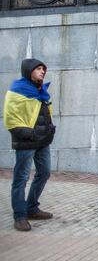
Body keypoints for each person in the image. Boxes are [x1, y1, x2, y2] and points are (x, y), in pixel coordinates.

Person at [4, 58, 56, 232]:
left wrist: (50, 130)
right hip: (26, 142)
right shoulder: (17, 90)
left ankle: (32, 207)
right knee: (21, 178)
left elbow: (45, 114)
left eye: (43, 69)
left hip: (42, 141)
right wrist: (30, 134)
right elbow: (10, 119)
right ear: (28, 70)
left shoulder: (41, 91)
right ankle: (20, 216)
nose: (42, 71)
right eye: (38, 69)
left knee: (44, 173)